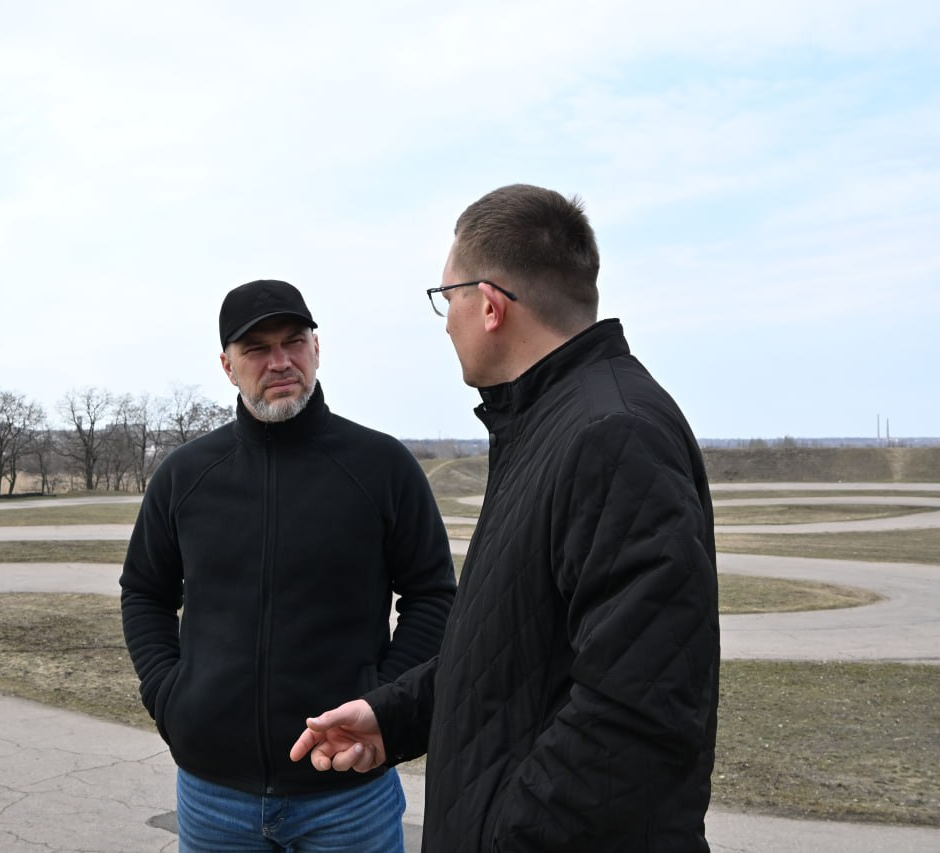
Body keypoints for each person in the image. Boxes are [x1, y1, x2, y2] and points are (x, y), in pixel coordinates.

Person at [290, 185, 720, 852]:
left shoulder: (614, 434)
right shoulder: (547, 424)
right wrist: (392, 715)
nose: (445, 322)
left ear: (488, 304)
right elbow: (513, 651)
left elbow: (636, 714)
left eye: (447, 299)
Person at [120, 279, 457, 852]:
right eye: (256, 348)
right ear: (227, 366)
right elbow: (144, 592)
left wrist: (383, 701)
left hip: (348, 794)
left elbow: (433, 596)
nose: (280, 361)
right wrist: (170, 694)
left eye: (293, 341)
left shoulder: (382, 466)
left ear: (316, 349)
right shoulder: (185, 476)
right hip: (213, 796)